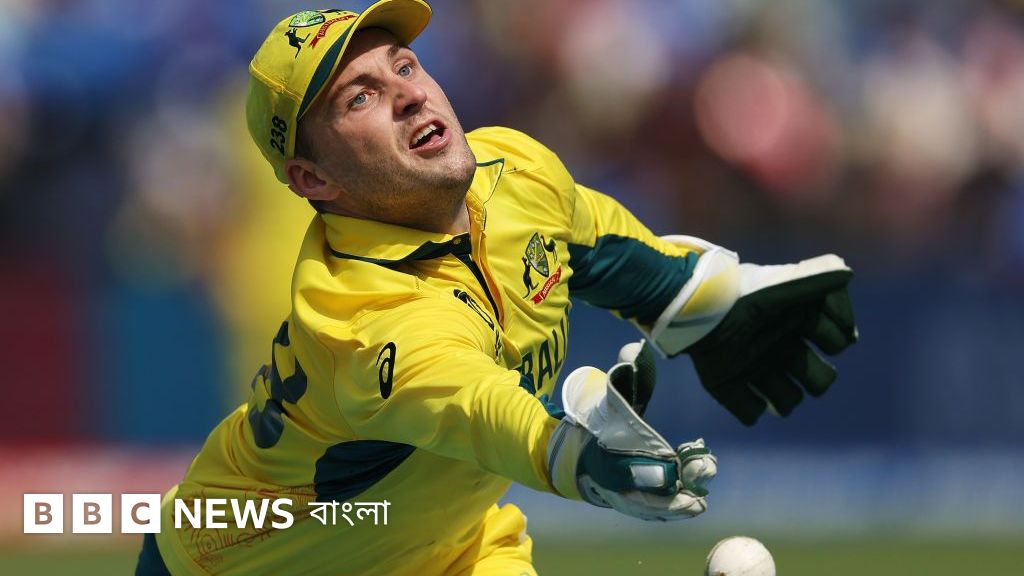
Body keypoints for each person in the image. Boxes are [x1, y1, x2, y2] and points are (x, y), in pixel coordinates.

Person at [137, 1, 857, 575]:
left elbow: (615, 254)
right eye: (361, 97)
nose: (409, 96)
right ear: (312, 178)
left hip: (451, 546)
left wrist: (701, 300)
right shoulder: (358, 316)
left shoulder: (518, 174)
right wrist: (576, 456)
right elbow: (481, 410)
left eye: (405, 65)